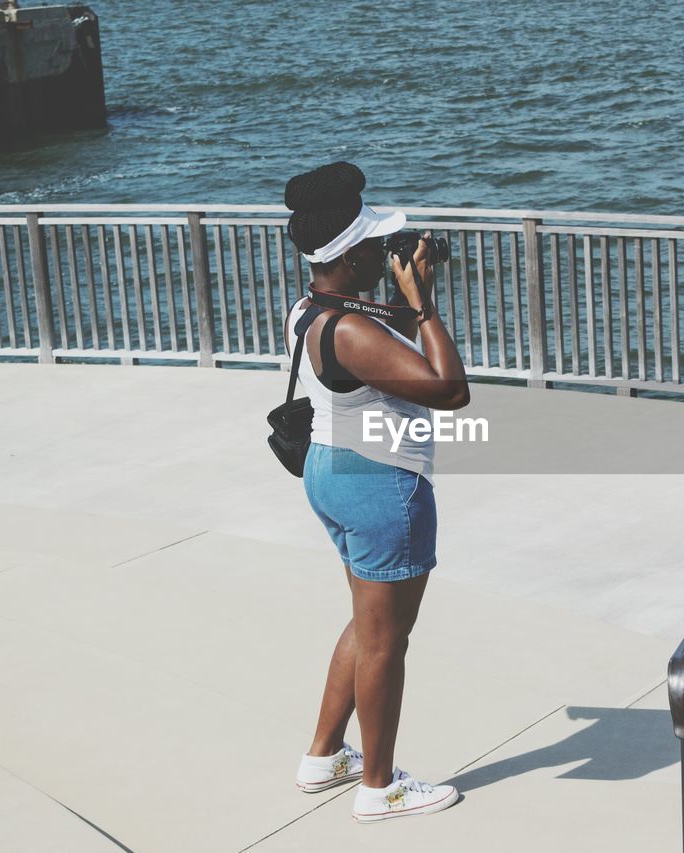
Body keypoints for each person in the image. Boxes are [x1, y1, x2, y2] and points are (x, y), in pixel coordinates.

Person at [282, 162, 469, 823]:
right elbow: (450, 390)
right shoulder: (355, 332)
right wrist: (425, 308)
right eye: (373, 246)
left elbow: (372, 323)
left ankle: (325, 755)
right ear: (351, 255)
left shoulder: (314, 307)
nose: (381, 254)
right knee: (388, 639)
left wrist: (411, 292)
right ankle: (380, 786)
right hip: (382, 484)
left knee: (369, 622)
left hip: (333, 473)